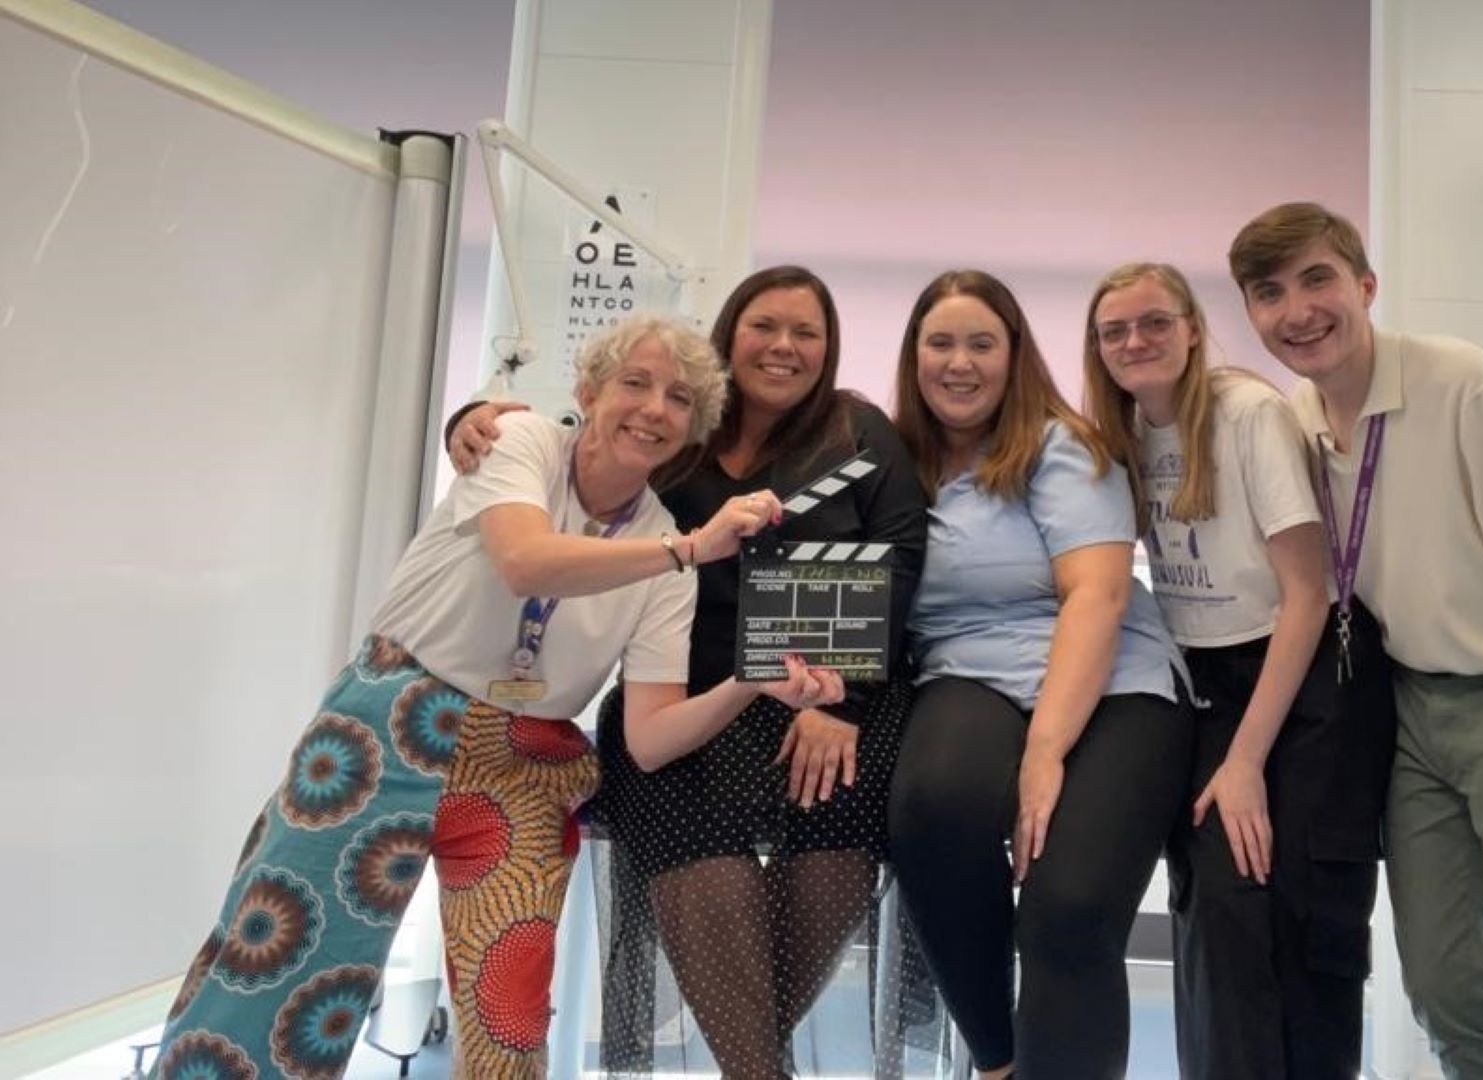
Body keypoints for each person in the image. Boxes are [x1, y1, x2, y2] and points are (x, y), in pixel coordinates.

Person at [152, 315, 841, 1080]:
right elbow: (523, 560)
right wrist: (683, 553)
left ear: (692, 430)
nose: (653, 408)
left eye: (678, 398)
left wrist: (749, 684)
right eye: (634, 383)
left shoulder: (666, 544)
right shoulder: (523, 446)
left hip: (525, 762)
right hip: (389, 724)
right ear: (588, 391)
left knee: (508, 1028)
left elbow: (651, 737)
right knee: (281, 967)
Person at [451, 266, 929, 1078]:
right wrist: (473, 416)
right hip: (681, 698)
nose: (783, 346)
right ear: (730, 335)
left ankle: (751, 1067)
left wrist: (839, 702)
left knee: (838, 826)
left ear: (830, 348)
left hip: (837, 697)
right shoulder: (674, 432)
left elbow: (901, 564)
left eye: (805, 332)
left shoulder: (857, 431)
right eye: (764, 326)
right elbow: (577, 448)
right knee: (684, 821)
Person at [1228, 202, 1483, 1078]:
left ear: (1365, 286)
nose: (1297, 310)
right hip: (1414, 716)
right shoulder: (1297, 417)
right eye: (1269, 293)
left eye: (1317, 280)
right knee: (1444, 992)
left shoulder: (1463, 387)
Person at [1081, 261, 1397, 1078]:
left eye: (1154, 321)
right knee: (1214, 916)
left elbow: (1308, 594)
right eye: (1114, 330)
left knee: (1297, 925)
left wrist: (1246, 758)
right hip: (1201, 682)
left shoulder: (1246, 413)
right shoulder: (1121, 435)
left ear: (1191, 327)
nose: (1135, 341)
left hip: (1301, 680)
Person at [885, 269, 1191, 1079]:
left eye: (982, 343)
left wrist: (1044, 756)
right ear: (912, 356)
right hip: (968, 670)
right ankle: (998, 1061)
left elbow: (1097, 594)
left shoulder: (1064, 446)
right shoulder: (891, 461)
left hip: (1112, 680)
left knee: (1068, 911)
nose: (960, 362)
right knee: (934, 811)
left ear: (1015, 354)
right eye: (940, 343)